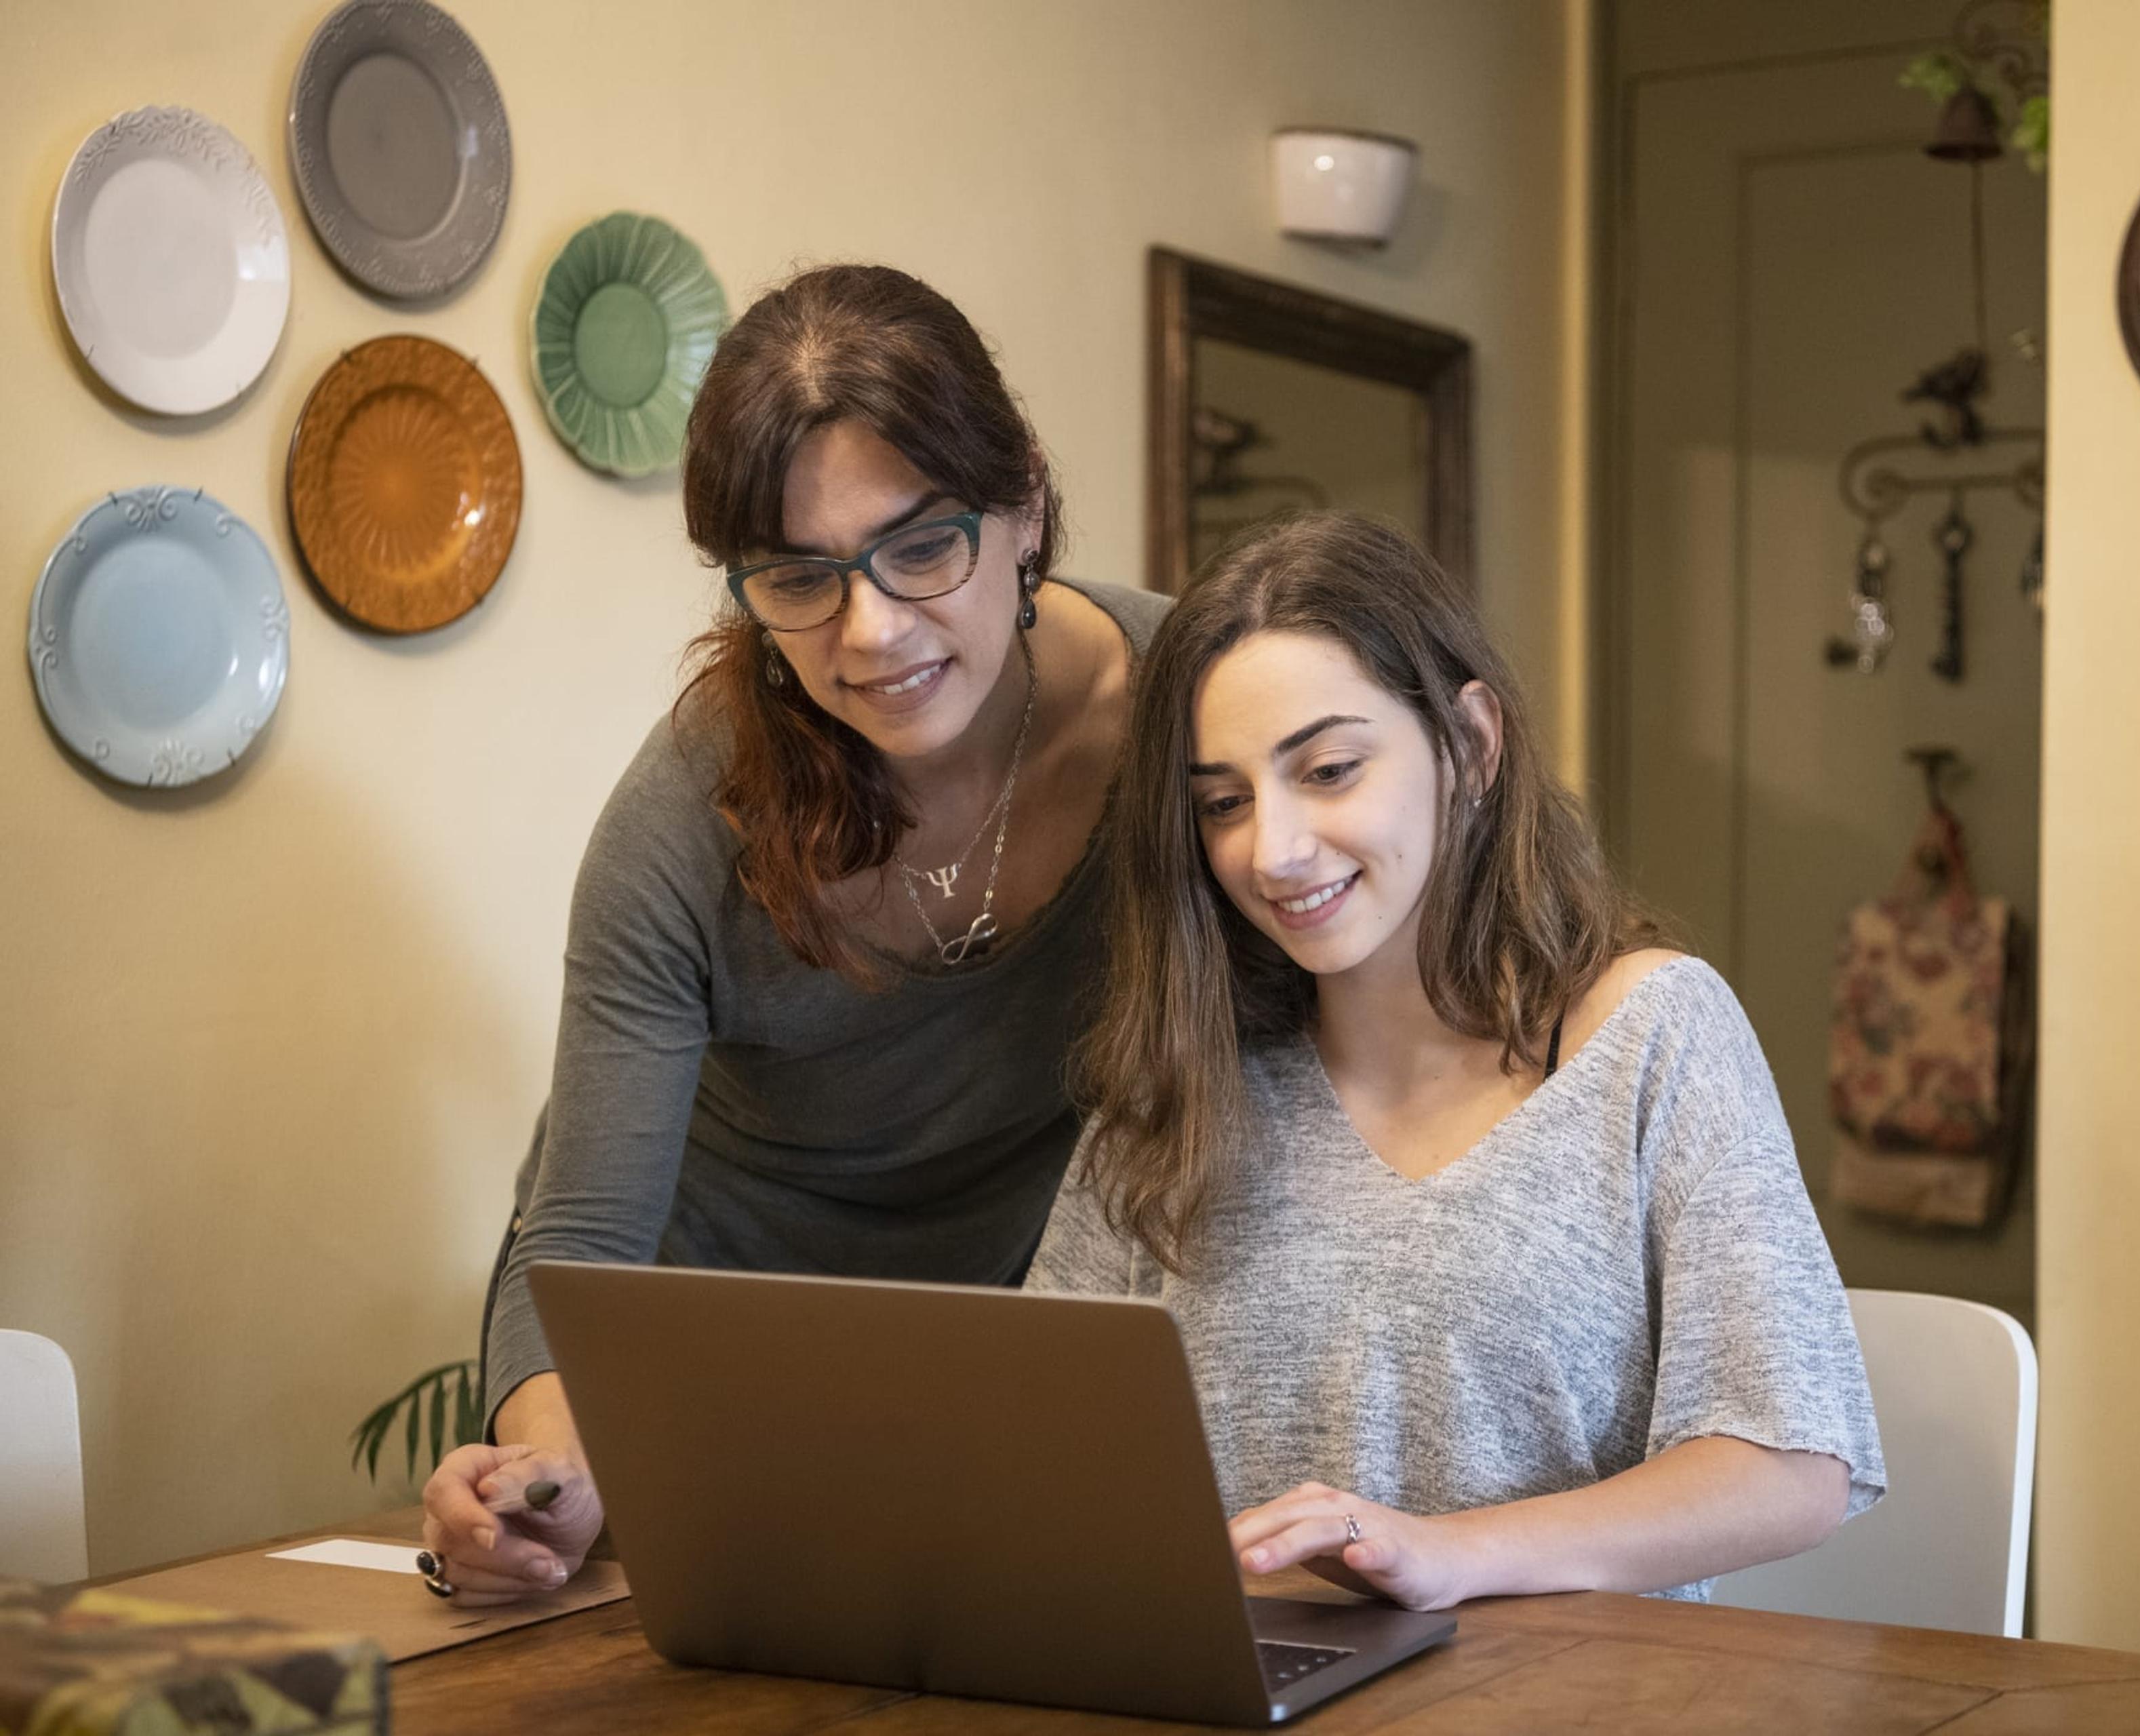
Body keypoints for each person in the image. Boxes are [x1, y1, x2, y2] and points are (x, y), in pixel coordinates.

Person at [418, 266, 1168, 1606]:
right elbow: (582, 1235)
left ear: (1028, 505)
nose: (870, 632)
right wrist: (539, 1477)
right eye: (799, 577)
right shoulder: (684, 817)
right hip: (716, 1359)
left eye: (923, 545)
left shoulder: (1192, 719)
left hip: (1012, 1356)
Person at [1029, 511, 1883, 1608]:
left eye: (1330, 770)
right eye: (1225, 804)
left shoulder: (1654, 1034)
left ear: (1471, 746)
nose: (1273, 850)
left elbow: (1791, 1466)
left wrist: (1449, 1556)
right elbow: (1045, 1445)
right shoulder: (1181, 1077)